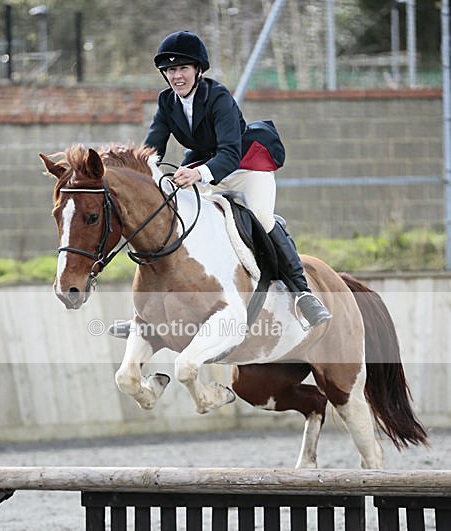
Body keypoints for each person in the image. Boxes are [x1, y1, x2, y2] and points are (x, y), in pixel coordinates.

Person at [110, 30, 331, 337]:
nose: (177, 76)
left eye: (183, 69)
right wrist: (136, 171)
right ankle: (144, 318)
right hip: (201, 168)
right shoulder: (166, 102)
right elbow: (153, 149)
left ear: (198, 70)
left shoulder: (218, 97)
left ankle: (302, 293)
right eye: (171, 70)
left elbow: (229, 151)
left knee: (262, 218)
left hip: (243, 166)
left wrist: (198, 174)